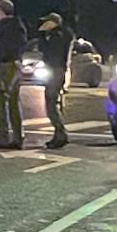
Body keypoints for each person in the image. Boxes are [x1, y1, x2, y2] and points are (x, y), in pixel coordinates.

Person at [0, 0, 27, 150]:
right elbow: (20, 46)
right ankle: (17, 137)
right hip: (13, 65)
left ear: (1, 11)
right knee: (14, 103)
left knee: (1, 102)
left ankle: (4, 136)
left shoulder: (4, 28)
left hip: (4, 66)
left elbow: (0, 48)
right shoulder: (18, 26)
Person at [37, 12, 74, 149]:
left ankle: (60, 134)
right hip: (58, 71)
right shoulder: (63, 35)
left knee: (51, 104)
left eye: (47, 22)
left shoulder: (57, 36)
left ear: (54, 23)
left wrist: (41, 36)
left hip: (55, 71)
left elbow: (48, 51)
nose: (44, 25)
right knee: (54, 103)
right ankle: (59, 134)